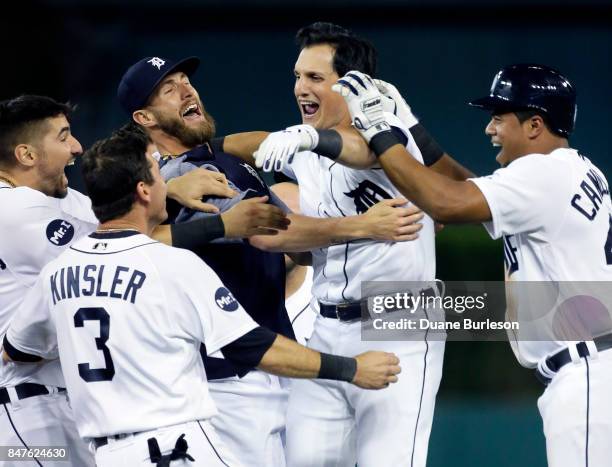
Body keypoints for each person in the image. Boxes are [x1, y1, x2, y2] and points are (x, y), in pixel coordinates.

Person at [2, 127, 401, 467]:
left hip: (105, 453)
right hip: (175, 448)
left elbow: (17, 349)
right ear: (143, 189)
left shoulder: (57, 272)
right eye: (158, 173)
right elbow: (252, 347)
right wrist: (352, 369)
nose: (166, 182)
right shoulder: (171, 264)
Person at [117, 53, 422, 467]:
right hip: (231, 376)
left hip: (259, 363)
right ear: (144, 118)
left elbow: (291, 246)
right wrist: (363, 227)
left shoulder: (197, 163)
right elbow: (270, 233)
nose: (187, 90)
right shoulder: (195, 173)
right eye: (168, 90)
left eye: (186, 80)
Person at [332, 64, 612, 467]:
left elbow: (447, 202)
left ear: (535, 124)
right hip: (592, 367)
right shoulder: (572, 170)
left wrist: (379, 129)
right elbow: (466, 189)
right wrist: (410, 127)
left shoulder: (543, 173)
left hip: (586, 374)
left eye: (499, 117)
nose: (489, 128)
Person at [252, 22, 473, 467]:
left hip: (398, 316)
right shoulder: (303, 147)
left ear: (354, 86)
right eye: (298, 76)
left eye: (315, 77)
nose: (300, 87)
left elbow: (364, 150)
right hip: (326, 324)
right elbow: (255, 161)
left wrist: (314, 137)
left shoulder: (390, 132)